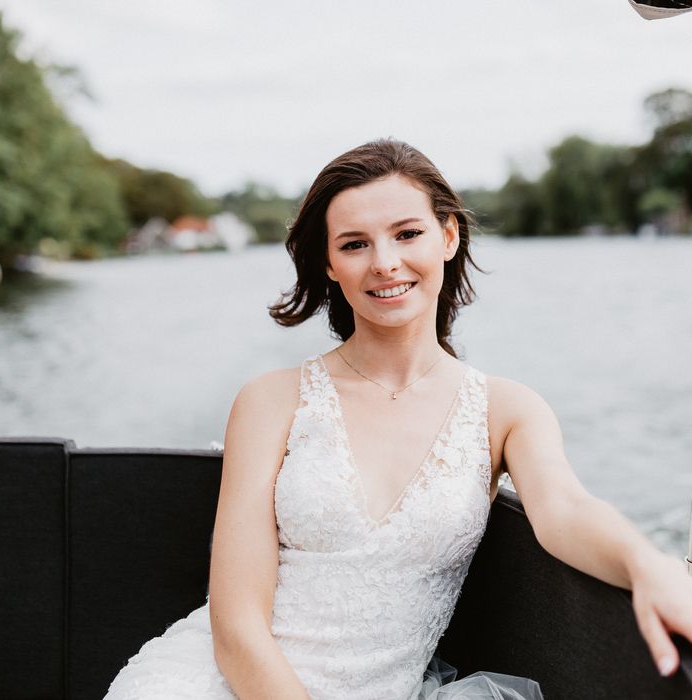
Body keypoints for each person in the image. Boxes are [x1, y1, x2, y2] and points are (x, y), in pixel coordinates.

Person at [105, 139, 692, 699]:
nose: (385, 264)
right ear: (329, 264)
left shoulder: (507, 409)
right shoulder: (270, 400)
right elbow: (236, 628)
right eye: (354, 244)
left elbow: (567, 511)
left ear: (447, 235)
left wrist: (648, 565)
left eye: (407, 233)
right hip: (220, 683)